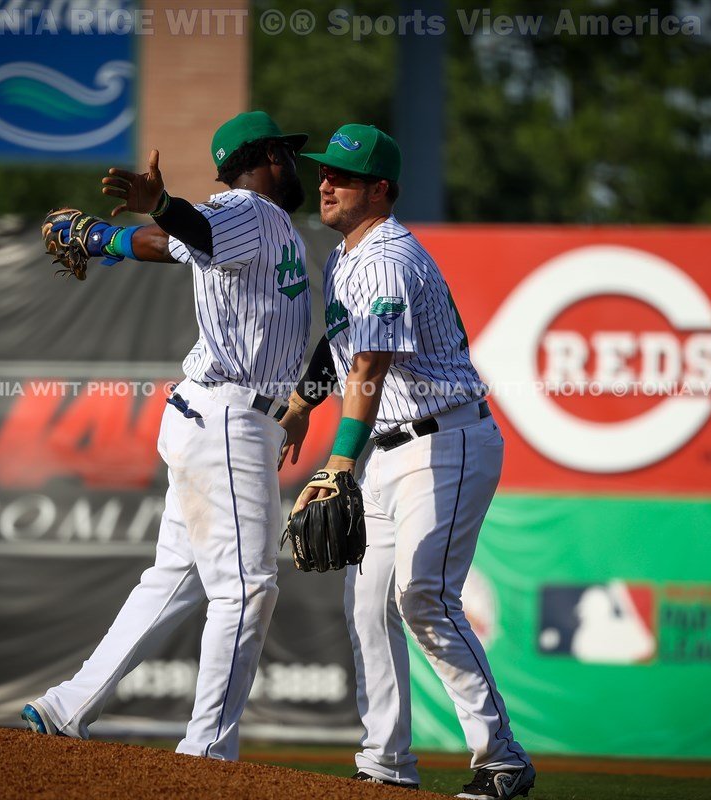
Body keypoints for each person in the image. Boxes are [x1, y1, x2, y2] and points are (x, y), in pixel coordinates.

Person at [22, 111, 312, 761]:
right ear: (268, 157)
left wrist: (101, 238)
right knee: (247, 590)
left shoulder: (249, 225)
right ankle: (207, 753)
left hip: (215, 417)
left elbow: (168, 244)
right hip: (228, 419)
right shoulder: (247, 211)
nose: (295, 164)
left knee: (174, 580)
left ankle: (68, 705)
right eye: (287, 153)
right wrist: (163, 205)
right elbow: (190, 228)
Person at [280, 124, 536, 799]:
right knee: (367, 603)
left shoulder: (389, 257)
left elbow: (369, 365)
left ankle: (502, 758)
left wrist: (338, 462)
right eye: (323, 172)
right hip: (391, 447)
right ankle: (385, 764)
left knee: (423, 594)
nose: (325, 183)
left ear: (381, 189)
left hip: (445, 440)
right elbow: (341, 344)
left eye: (342, 176)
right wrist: (304, 402)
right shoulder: (347, 256)